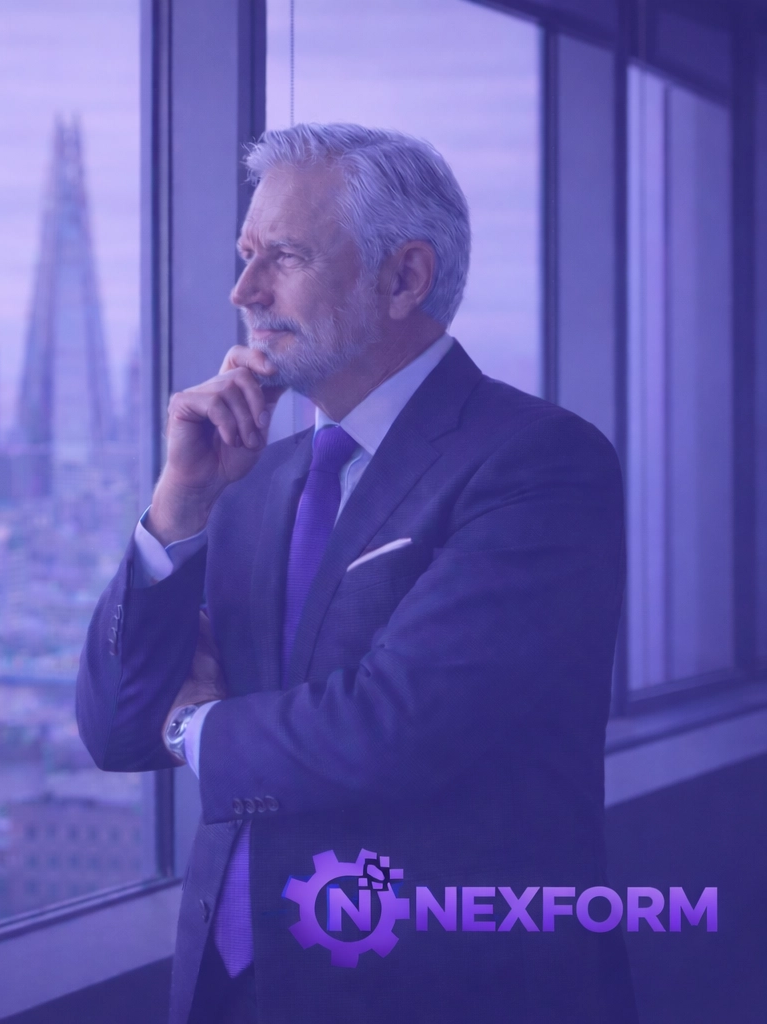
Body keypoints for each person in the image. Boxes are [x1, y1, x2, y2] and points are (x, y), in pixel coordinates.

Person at [76, 123, 637, 1023]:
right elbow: (116, 728)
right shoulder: (254, 485)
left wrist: (192, 728)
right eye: (245, 255)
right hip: (235, 990)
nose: (243, 291)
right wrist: (177, 506)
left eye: (284, 258)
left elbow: (397, 727)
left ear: (405, 277)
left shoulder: (537, 464)